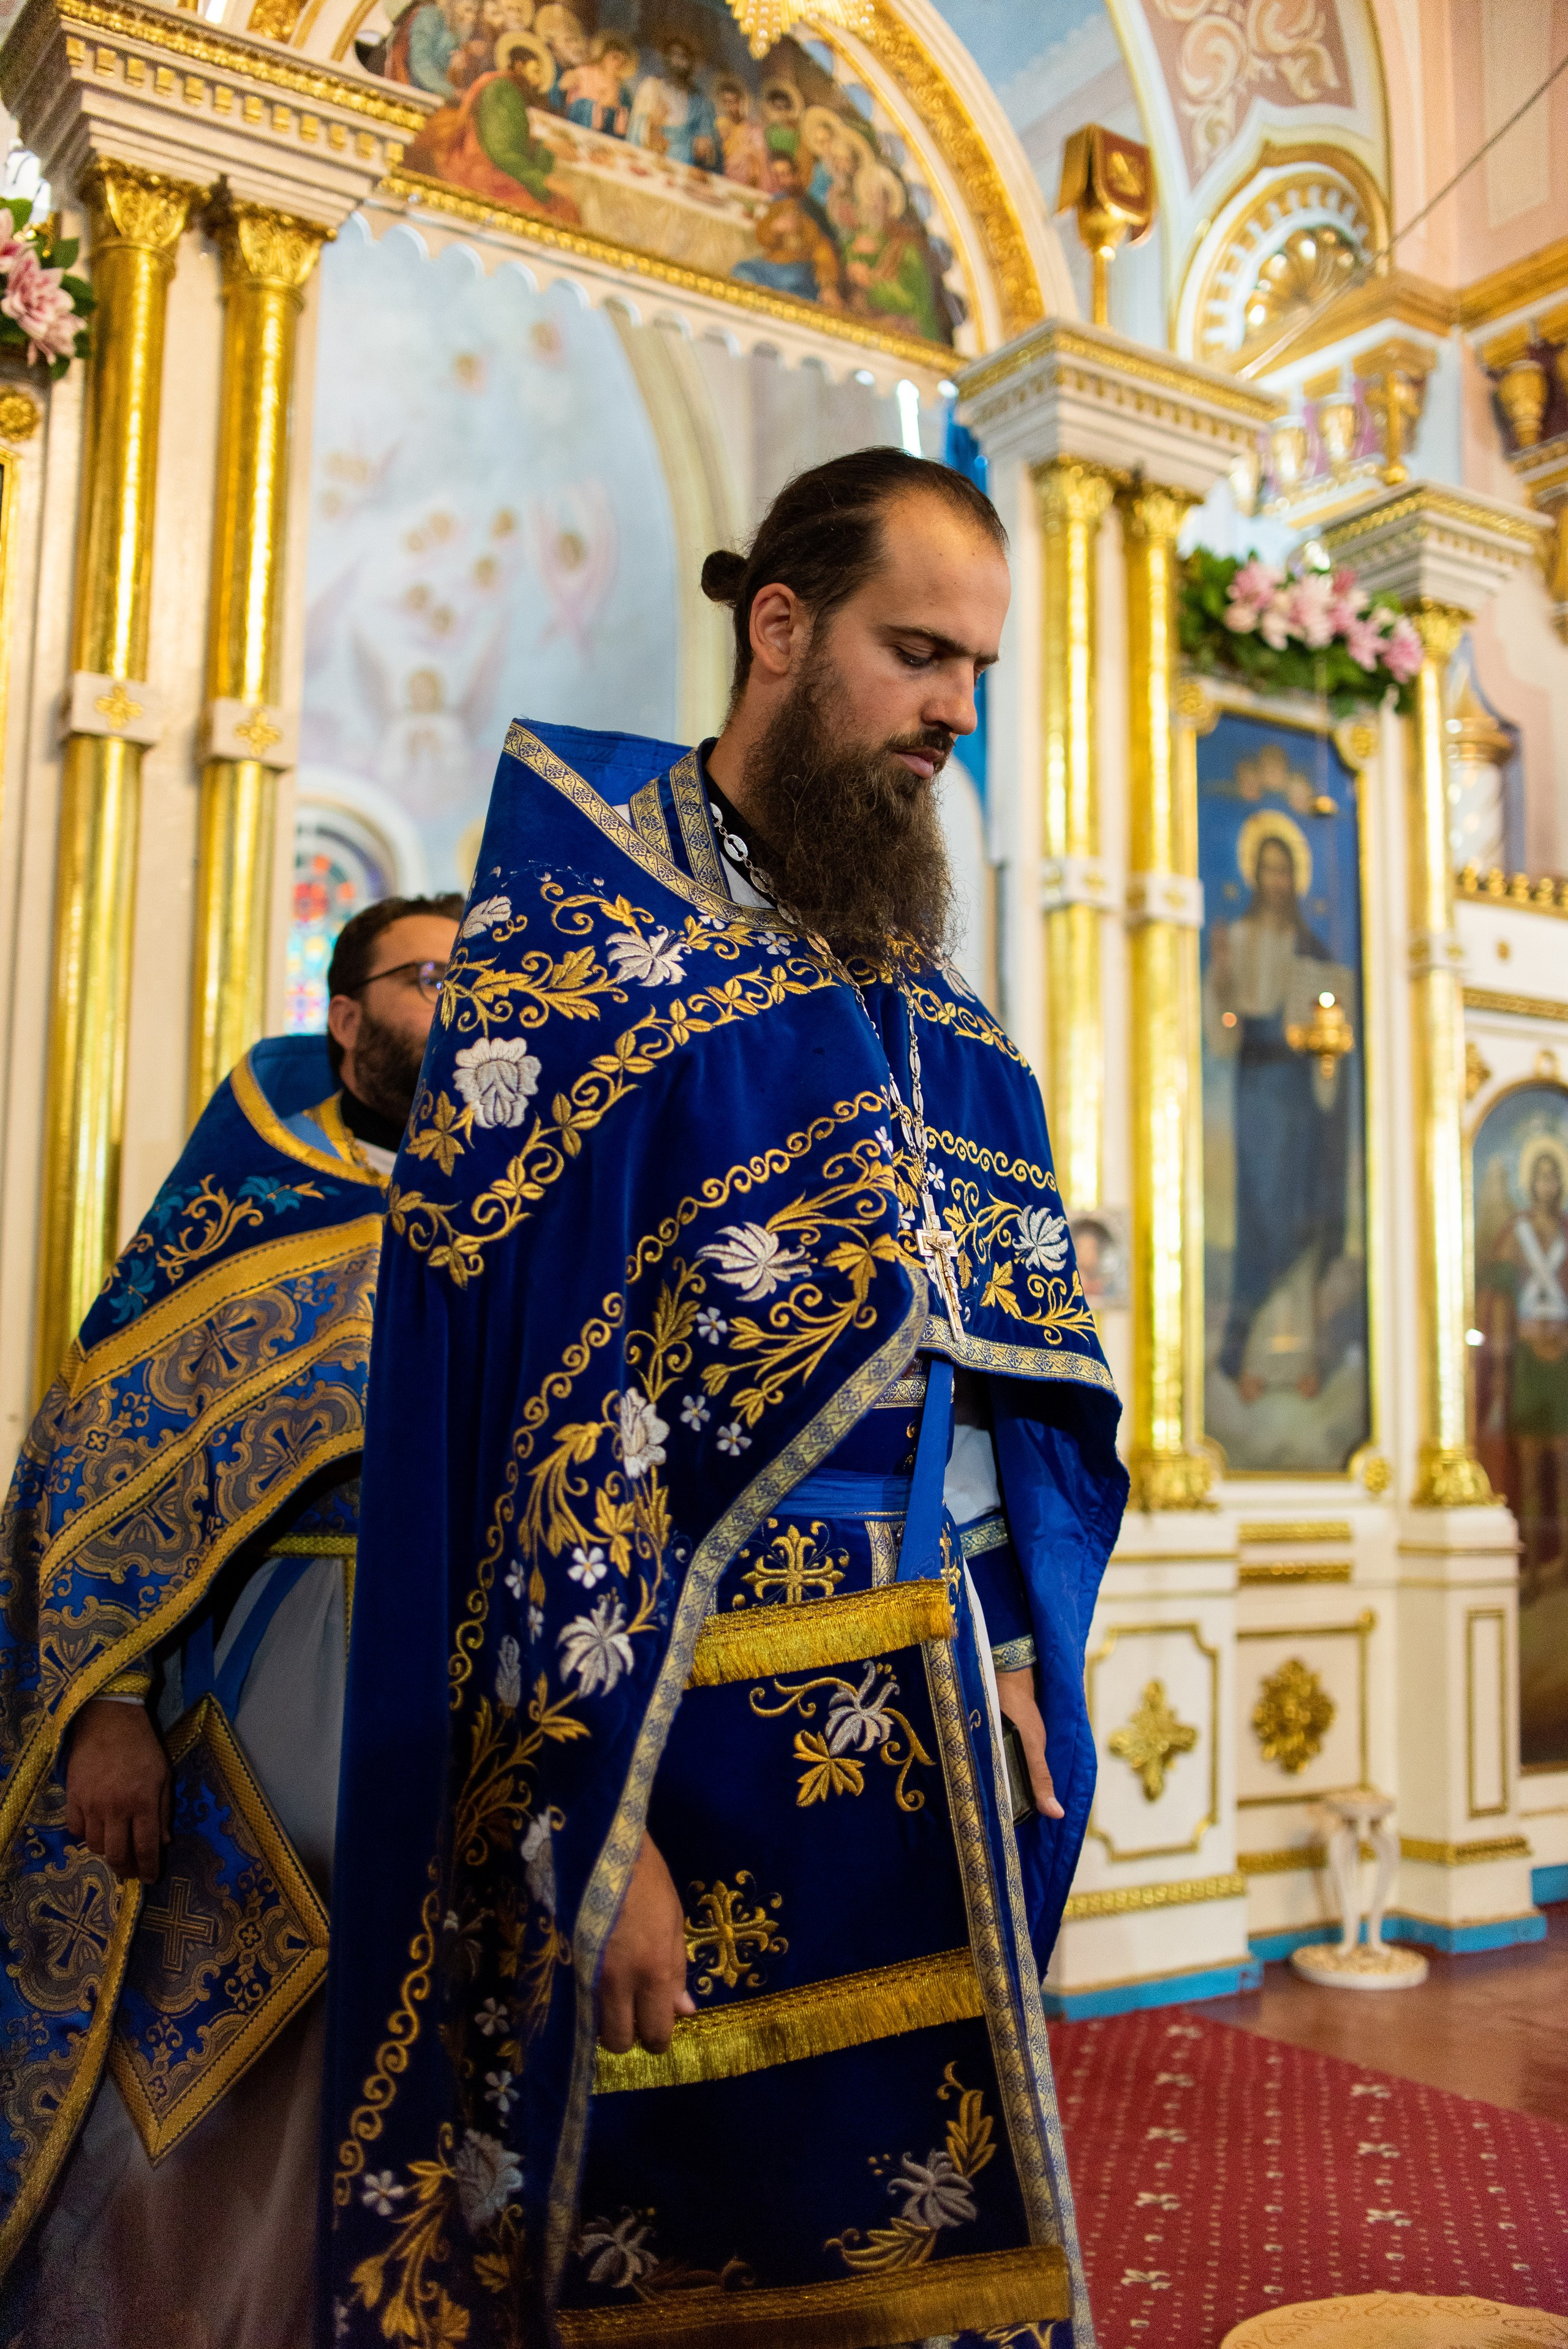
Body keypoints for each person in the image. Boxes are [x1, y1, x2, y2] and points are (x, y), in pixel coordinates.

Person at [323, 450, 1126, 2348]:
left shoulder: (938, 1019)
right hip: (663, 1751)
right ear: (779, 625)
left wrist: (1019, 1647)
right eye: (916, 651)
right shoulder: (582, 969)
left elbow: (994, 1380)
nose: (956, 709)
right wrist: (597, 1836)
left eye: (977, 668)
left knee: (916, 2257)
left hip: (927, 1722)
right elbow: (523, 1442)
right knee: (664, 2261)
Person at [0, 895, 461, 2348]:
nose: (460, 1006)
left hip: (469, 1681)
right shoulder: (245, 1204)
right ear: (346, 1014)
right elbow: (102, 1462)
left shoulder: (526, 1205)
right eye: (427, 978)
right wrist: (109, 1706)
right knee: (207, 2061)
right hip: (270, 1676)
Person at [1203, 822, 1352, 1403]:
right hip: (1257, 1093)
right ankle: (1246, 1357)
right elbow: (1223, 1031)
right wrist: (1221, 979)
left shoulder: (1312, 949)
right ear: (1255, 876)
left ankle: (1302, 1360)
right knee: (1262, 1219)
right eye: (1267, 869)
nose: (1276, 880)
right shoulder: (1238, 939)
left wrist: (1325, 1039)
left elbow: (1333, 1026)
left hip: (1298, 1096)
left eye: (1284, 870)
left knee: (1299, 1218)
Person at [1482, 1142, 1568, 1597]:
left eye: (1553, 1177)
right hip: (1528, 1360)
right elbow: (1497, 1297)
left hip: (1564, 1360)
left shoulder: (1567, 1232)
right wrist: (1499, 1360)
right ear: (1530, 1183)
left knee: (1565, 1469)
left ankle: (1565, 1564)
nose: (1546, 1185)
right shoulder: (1517, 1234)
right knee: (1531, 1472)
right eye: (1540, 1177)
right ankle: (1531, 1568)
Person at [404, 29, 581, 219]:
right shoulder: (503, 90)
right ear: (519, 66)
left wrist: (548, 147)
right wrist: (543, 181)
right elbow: (500, 152)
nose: (539, 81)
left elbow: (511, 138)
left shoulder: (506, 87)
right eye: (536, 71)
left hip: (491, 164)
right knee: (562, 212)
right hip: (481, 172)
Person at [733, 148, 842, 303]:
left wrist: (827, 285)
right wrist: (775, 229)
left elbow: (824, 250)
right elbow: (763, 238)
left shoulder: (811, 210)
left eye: (786, 174)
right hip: (772, 265)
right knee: (741, 271)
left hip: (798, 269)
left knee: (791, 291)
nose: (782, 181)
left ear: (797, 174)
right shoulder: (778, 202)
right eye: (777, 176)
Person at [627, 36, 718, 168]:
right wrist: (652, 122)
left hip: (682, 160)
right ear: (667, 58)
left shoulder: (699, 101)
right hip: (650, 155)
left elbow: (704, 136)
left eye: (683, 57)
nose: (678, 61)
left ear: (691, 62)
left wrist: (703, 142)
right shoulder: (652, 86)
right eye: (674, 55)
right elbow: (636, 127)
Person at [561, 32, 638, 137]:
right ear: (604, 56)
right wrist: (598, 106)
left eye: (623, 60)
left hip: (605, 135)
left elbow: (626, 120)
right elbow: (566, 96)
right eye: (615, 57)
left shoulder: (622, 91)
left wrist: (617, 110)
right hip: (579, 126)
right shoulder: (585, 73)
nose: (618, 63)